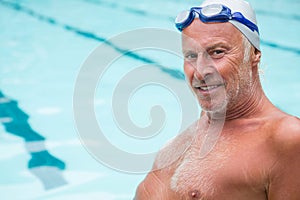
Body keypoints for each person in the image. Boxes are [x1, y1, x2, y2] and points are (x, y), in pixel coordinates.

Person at [134, 0, 300, 199]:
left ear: (254, 54)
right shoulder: (195, 132)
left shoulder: (286, 139)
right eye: (191, 56)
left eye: (217, 52)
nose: (201, 72)